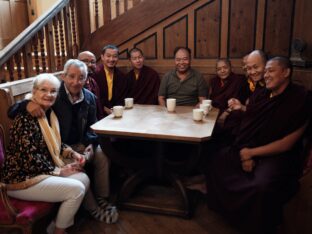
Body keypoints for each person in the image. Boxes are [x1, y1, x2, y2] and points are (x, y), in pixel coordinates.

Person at [205, 57, 311, 234]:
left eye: (271, 71)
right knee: (218, 160)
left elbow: (287, 143)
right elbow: (249, 125)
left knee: (260, 185)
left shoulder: (300, 98)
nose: (266, 75)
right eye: (266, 71)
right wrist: (244, 151)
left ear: (286, 72)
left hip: (279, 156)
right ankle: (232, 215)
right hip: (252, 146)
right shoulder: (262, 94)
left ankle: (257, 226)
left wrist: (251, 153)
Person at [8, 60, 118, 224]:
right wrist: (26, 104)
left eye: (81, 77)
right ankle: (90, 208)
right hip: (52, 153)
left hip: (69, 146)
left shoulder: (89, 98)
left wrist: (89, 145)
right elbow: (14, 110)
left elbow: (93, 126)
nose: (76, 82)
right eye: (71, 77)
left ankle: (101, 198)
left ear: (86, 79)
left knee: (102, 154)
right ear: (63, 77)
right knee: (78, 171)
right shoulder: (52, 97)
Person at [2, 74, 90, 234]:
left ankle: (51, 228)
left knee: (83, 178)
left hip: (39, 172)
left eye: (53, 91)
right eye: (44, 90)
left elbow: (54, 142)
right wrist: (59, 171)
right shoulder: (25, 117)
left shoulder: (49, 113)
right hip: (21, 178)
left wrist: (72, 154)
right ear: (34, 92)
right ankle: (59, 231)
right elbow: (29, 157)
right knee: (76, 189)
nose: (49, 94)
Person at [94, 44, 128, 116]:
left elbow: (122, 97)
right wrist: (104, 109)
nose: (111, 59)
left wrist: (116, 109)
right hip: (98, 112)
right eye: (108, 56)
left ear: (118, 58)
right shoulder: (95, 74)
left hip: (116, 112)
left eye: (115, 56)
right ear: (102, 57)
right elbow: (93, 97)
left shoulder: (122, 76)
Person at [78, 51, 104, 119]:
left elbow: (98, 108)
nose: (89, 64)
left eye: (93, 62)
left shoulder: (92, 82)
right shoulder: (75, 85)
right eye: (85, 61)